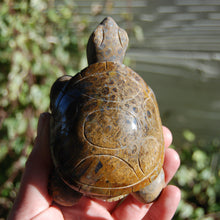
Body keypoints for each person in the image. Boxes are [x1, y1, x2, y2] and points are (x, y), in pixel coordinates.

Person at [8, 112, 181, 220]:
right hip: (131, 175)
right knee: (149, 192)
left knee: (63, 196)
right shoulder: (139, 83)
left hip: (80, 176)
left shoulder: (77, 86)